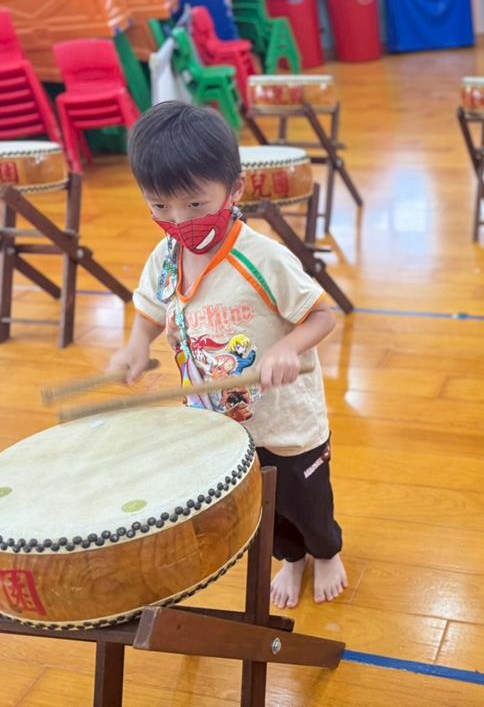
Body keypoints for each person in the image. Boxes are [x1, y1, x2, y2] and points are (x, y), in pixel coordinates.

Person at [109, 101, 347, 608]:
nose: (179, 220)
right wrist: (136, 344)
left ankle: (326, 552)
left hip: (287, 423)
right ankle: (292, 558)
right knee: (261, 503)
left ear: (235, 189)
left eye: (195, 204)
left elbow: (323, 316)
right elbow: (151, 307)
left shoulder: (262, 258)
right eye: (160, 206)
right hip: (220, 423)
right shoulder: (166, 256)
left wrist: (288, 346)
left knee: (307, 504)